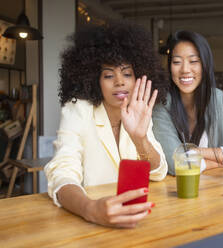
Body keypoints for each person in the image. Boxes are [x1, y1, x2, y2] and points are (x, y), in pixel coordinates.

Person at [44, 21, 169, 228]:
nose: (119, 82)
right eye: (109, 75)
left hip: (136, 219)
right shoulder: (79, 111)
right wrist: (90, 209)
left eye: (127, 74)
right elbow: (62, 174)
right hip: (88, 223)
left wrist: (141, 139)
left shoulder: (137, 111)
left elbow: (158, 172)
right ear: (94, 80)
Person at [152, 30, 223, 176]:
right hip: (176, 192)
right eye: (176, 62)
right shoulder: (161, 103)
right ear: (170, 67)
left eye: (193, 61)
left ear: (205, 64)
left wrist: (198, 152)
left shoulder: (216, 98)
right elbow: (178, 165)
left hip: (217, 190)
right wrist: (218, 161)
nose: (185, 70)